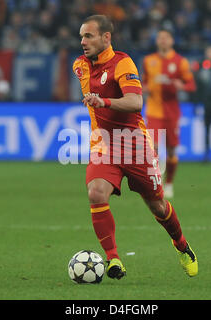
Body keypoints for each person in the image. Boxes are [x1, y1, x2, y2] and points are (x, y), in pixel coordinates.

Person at [73, 15, 197, 280]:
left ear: (106, 37)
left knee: (158, 207)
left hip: (134, 144)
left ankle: (182, 245)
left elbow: (134, 102)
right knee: (96, 193)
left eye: (89, 36)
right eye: (81, 36)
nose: (82, 42)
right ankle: (113, 259)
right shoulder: (80, 65)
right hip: (104, 144)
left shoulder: (122, 62)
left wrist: (103, 102)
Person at [142, 29, 196, 198]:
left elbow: (191, 86)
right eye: (160, 37)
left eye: (166, 37)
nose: (163, 40)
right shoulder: (148, 60)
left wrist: (181, 86)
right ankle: (155, 184)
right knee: (154, 149)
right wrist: (147, 88)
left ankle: (169, 183)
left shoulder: (180, 62)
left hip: (172, 112)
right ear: (157, 41)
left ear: (172, 41)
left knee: (172, 151)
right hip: (153, 110)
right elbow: (142, 84)